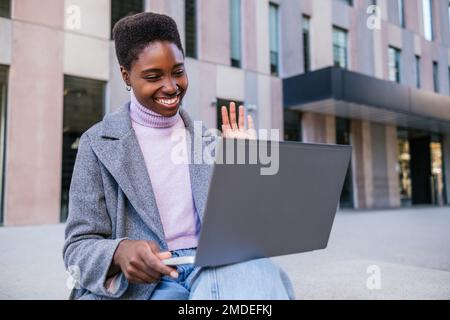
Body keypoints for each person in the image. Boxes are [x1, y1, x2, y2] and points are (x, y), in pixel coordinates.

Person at [63, 12, 295, 300]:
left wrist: (242, 169)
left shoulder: (208, 141)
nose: (172, 87)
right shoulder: (97, 144)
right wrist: (120, 251)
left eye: (178, 72)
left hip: (213, 265)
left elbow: (248, 228)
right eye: (153, 76)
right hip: (149, 281)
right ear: (126, 76)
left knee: (255, 280)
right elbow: (77, 247)